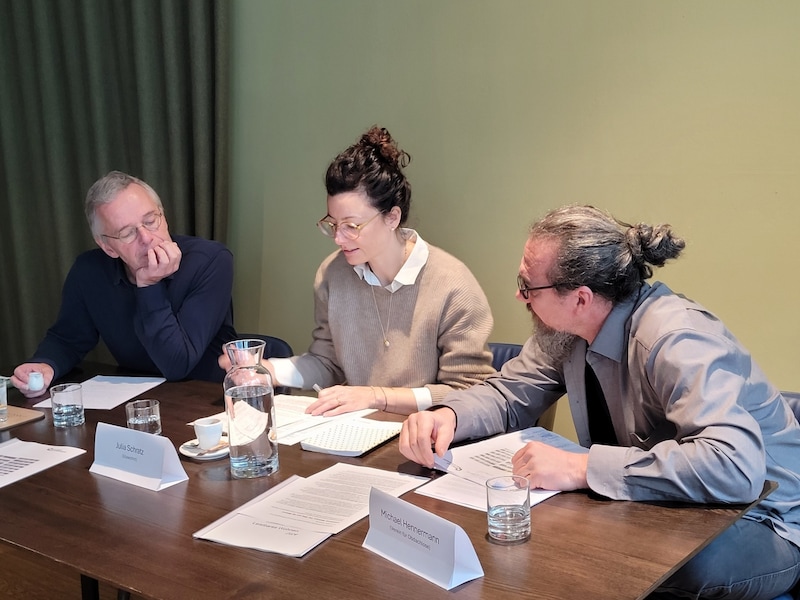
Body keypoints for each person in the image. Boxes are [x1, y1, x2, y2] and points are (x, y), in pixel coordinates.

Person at [400, 205, 800, 599]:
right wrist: (449, 415)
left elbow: (734, 466)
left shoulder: (677, 338)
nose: (518, 295)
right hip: (669, 507)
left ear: (580, 297)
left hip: (766, 520)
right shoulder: (565, 331)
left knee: (654, 564)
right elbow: (510, 394)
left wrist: (582, 467)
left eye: (528, 285)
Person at [221, 126, 495, 416]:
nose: (339, 238)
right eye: (333, 224)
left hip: (427, 439)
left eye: (352, 226)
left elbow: (469, 390)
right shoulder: (332, 274)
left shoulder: (452, 285)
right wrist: (265, 371)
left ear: (392, 217)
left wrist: (376, 397)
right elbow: (329, 364)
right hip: (357, 434)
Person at [12, 171, 237, 396]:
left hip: (205, 396)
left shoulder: (211, 260)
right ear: (108, 247)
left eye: (151, 221)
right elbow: (69, 338)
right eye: (127, 233)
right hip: (135, 396)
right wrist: (46, 365)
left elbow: (178, 364)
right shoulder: (88, 271)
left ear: (164, 218)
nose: (147, 237)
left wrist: (149, 285)